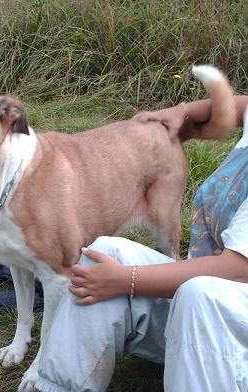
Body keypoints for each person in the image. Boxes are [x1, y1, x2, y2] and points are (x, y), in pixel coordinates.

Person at [35, 96, 248, 392]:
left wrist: (126, 280)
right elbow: (239, 106)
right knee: (106, 252)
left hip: (225, 317)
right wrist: (182, 114)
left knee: (199, 294)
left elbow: (237, 270)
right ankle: (57, 387)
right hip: (205, 314)